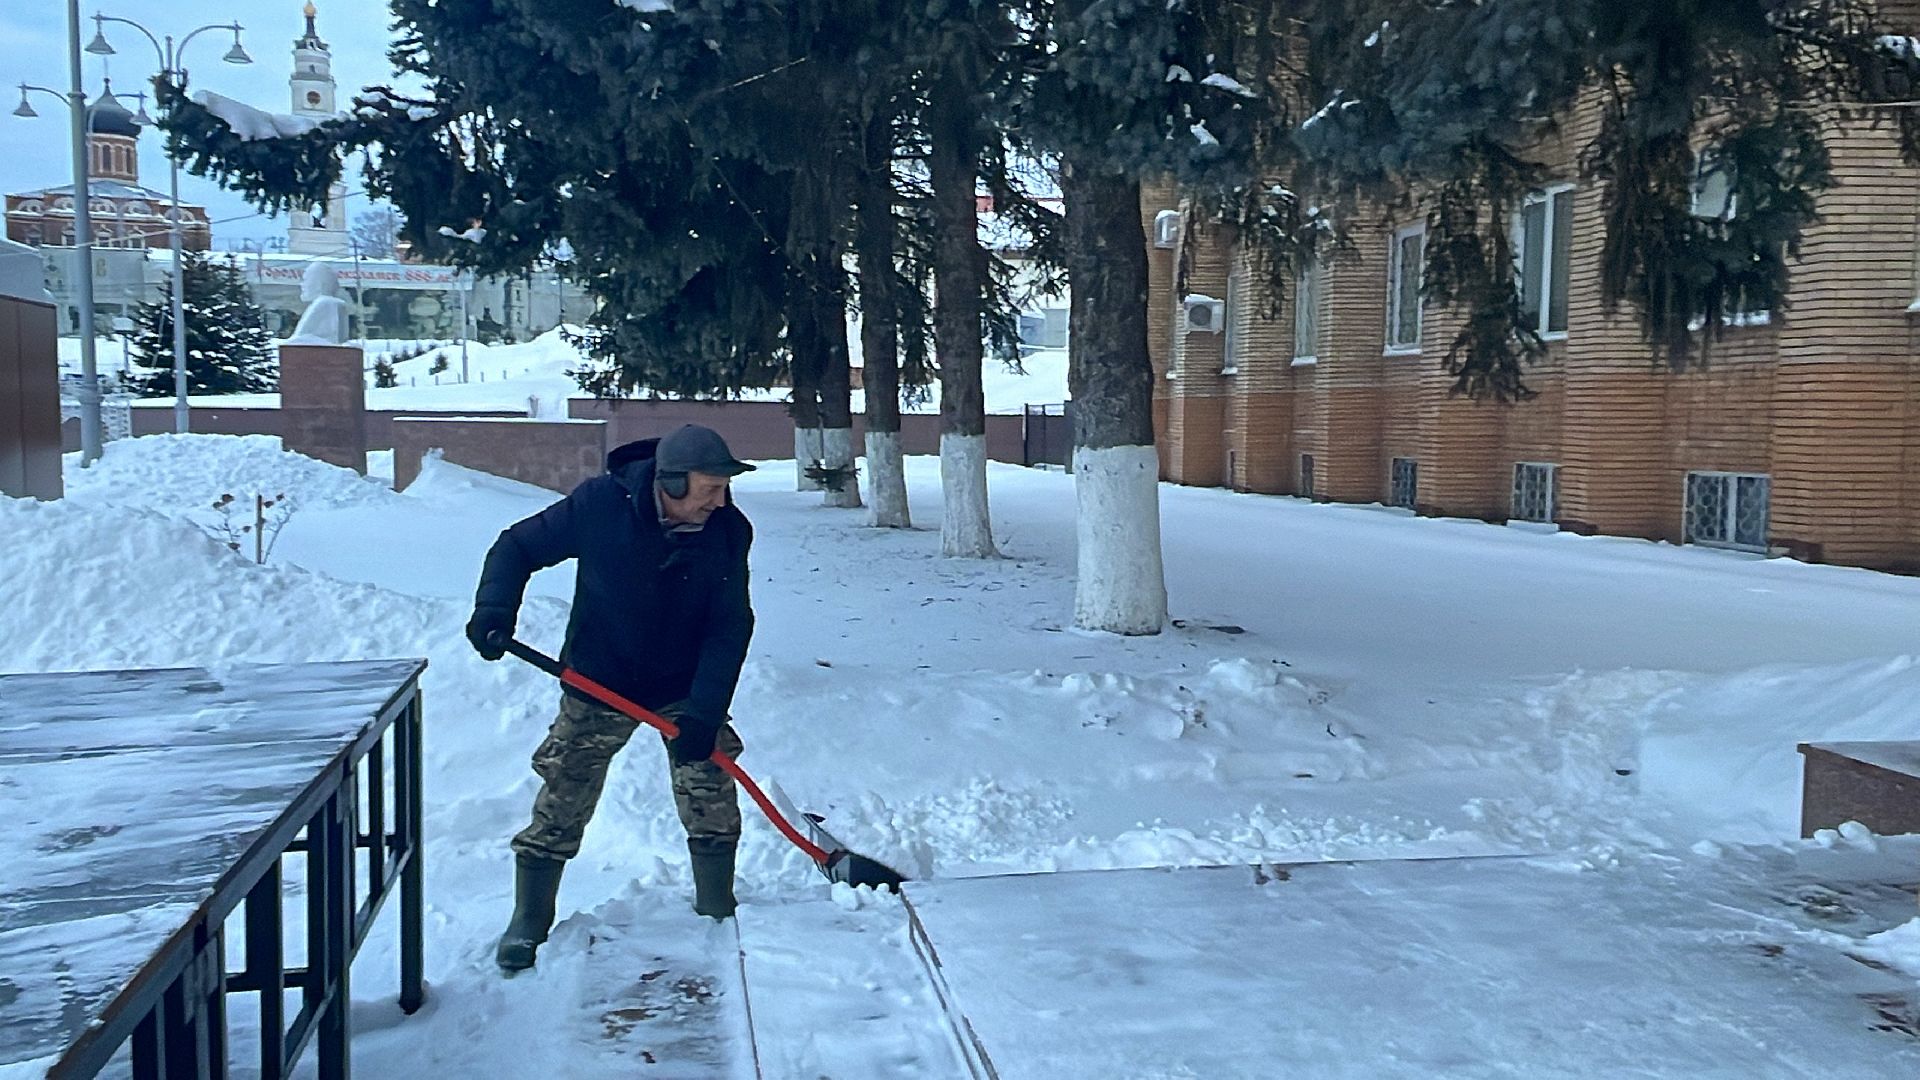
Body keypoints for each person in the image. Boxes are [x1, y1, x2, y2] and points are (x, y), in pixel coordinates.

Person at [465, 423, 756, 973]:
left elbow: (730, 625)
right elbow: (517, 546)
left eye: (724, 488)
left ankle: (717, 904)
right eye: (708, 489)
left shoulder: (728, 531)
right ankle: (529, 919)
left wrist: (705, 710)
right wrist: (495, 609)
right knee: (565, 785)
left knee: (709, 780)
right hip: (602, 677)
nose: (720, 502)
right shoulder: (600, 506)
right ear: (670, 482)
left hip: (681, 682)